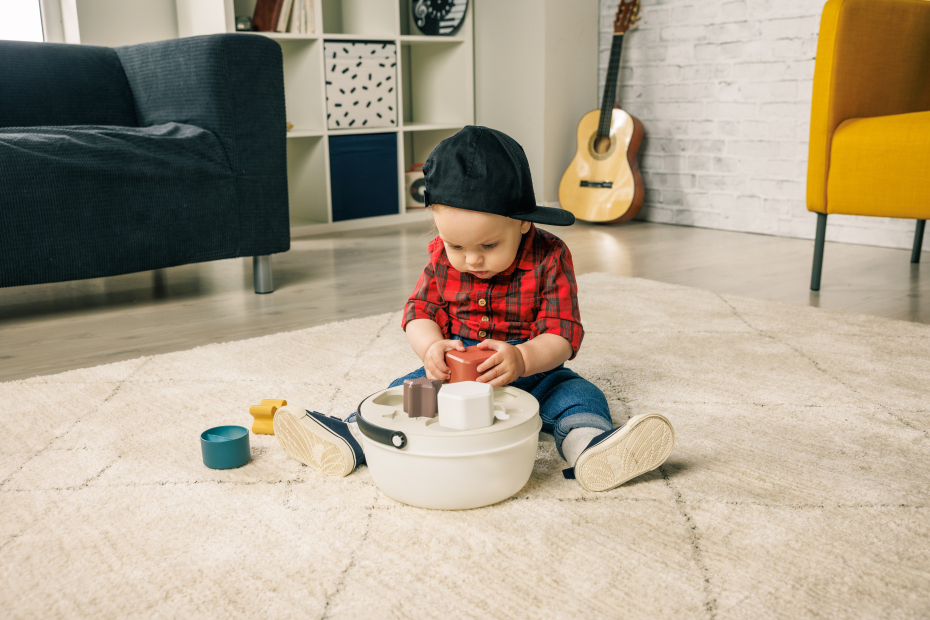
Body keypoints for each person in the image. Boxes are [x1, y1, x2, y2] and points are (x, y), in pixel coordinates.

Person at [273, 126, 674, 491]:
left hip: (532, 368)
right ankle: (351, 436)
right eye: (456, 246)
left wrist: (523, 357)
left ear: (522, 223)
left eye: (487, 246)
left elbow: (563, 333)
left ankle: (591, 446)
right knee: (407, 393)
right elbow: (419, 312)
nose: (471, 260)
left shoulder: (550, 255)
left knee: (578, 394)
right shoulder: (441, 257)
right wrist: (431, 349)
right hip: (453, 368)